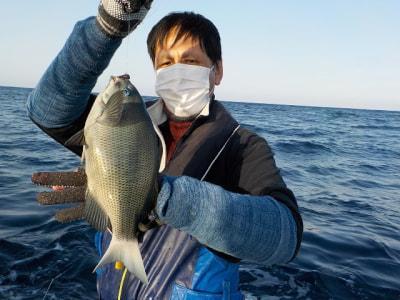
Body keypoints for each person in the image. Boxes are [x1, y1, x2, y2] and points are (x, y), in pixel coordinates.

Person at [27, 0, 303, 299]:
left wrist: (167, 198)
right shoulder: (119, 117)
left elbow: (284, 236)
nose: (178, 71)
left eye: (191, 61)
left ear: (217, 71)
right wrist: (106, 29)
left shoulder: (241, 145)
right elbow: (48, 110)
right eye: (166, 63)